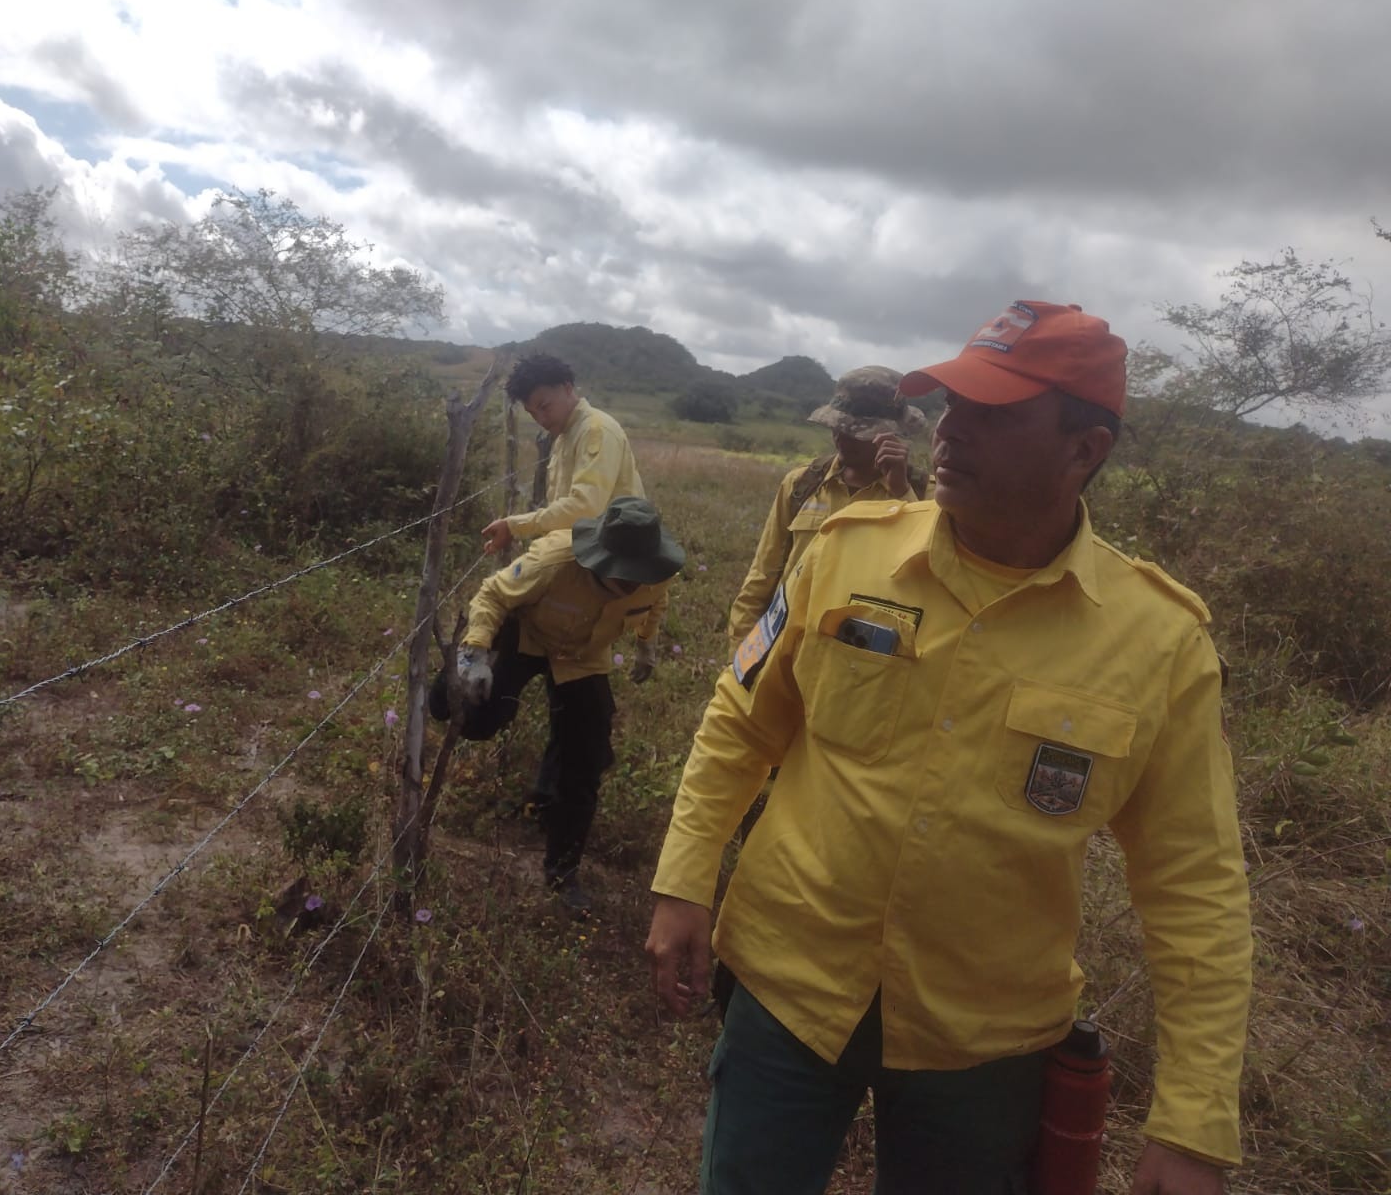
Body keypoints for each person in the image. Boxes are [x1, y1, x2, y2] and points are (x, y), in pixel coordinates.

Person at [645, 301, 1252, 1195]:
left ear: (1084, 450)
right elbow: (742, 719)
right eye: (955, 401)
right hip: (788, 983)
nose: (950, 429)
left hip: (984, 1043)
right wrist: (684, 880)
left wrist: (1194, 1121)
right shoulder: (846, 552)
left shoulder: (1160, 643)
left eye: (994, 412)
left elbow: (1195, 884)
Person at [444, 496, 684, 912]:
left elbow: (654, 605)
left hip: (582, 656)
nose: (632, 582)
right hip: (526, 635)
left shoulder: (656, 571)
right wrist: (476, 652)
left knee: (588, 759)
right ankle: (442, 694)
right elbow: (493, 594)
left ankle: (562, 871)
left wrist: (646, 644)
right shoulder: (554, 562)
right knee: (477, 718)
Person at [727, 365, 926, 652]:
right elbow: (762, 575)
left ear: (891, 434)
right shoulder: (801, 484)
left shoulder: (923, 495)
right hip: (788, 647)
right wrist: (739, 653)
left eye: (856, 432)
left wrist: (901, 491)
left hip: (863, 655)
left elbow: (928, 577)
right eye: (838, 427)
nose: (841, 438)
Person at [481, 353, 644, 557]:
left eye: (544, 407)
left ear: (567, 387)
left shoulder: (595, 430)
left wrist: (515, 526)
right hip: (587, 552)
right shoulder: (564, 436)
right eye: (533, 414)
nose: (541, 420)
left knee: (511, 578)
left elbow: (584, 509)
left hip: (617, 559)